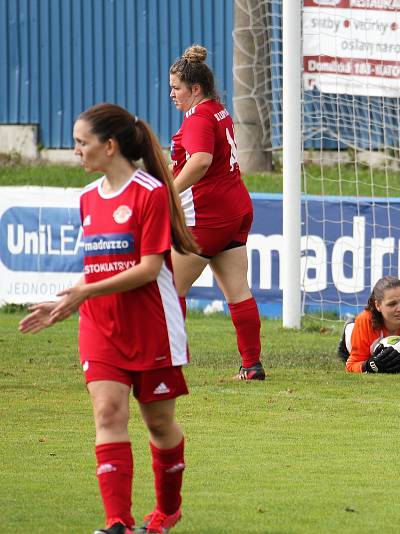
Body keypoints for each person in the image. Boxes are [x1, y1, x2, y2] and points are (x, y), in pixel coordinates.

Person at [19, 104, 197, 533]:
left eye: (82, 142)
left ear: (109, 145)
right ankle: (117, 521)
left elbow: (149, 269)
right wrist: (67, 300)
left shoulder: (150, 192)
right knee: (107, 414)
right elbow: (99, 266)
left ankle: (167, 511)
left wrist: (84, 292)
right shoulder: (87, 199)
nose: (75, 150)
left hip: (151, 325)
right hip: (101, 325)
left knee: (159, 422)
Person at [168, 44, 265, 380]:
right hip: (235, 209)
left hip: (207, 217)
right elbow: (197, 160)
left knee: (168, 287)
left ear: (195, 89)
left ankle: (170, 362)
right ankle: (251, 365)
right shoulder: (217, 111)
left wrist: (169, 192)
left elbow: (201, 160)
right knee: (238, 290)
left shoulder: (198, 118)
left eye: (176, 88)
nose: (172, 94)